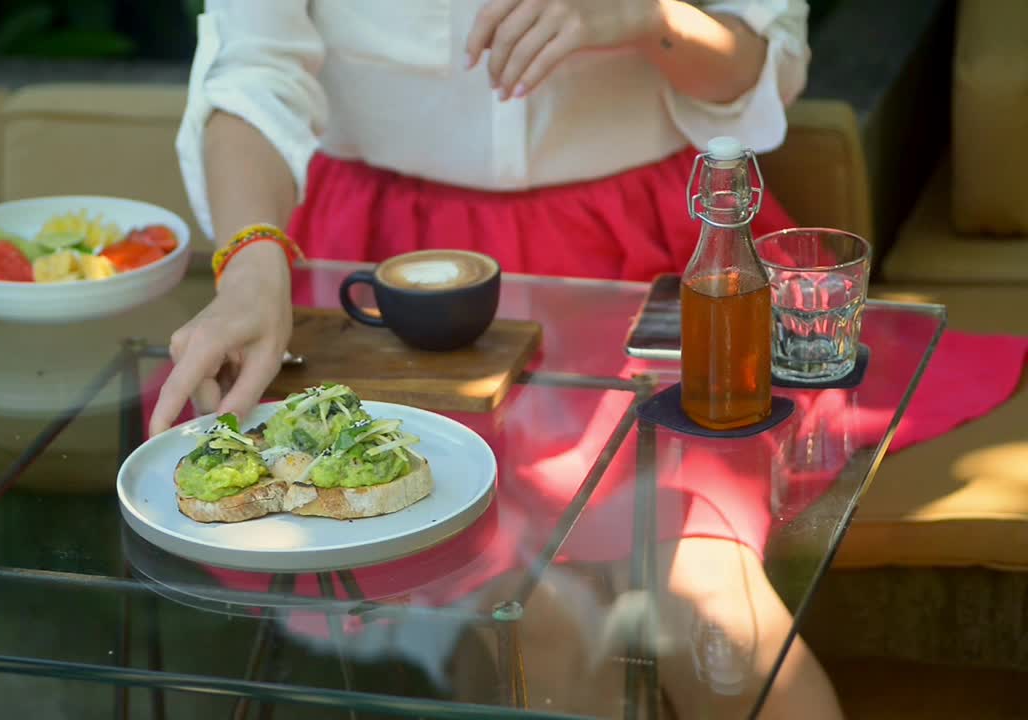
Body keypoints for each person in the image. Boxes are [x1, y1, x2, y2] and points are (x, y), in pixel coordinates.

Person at [150, 2, 845, 718]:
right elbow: (253, 70)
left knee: (713, 612)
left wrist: (642, 14)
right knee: (539, 628)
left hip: (640, 259)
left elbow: (765, 66)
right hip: (387, 277)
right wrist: (250, 266)